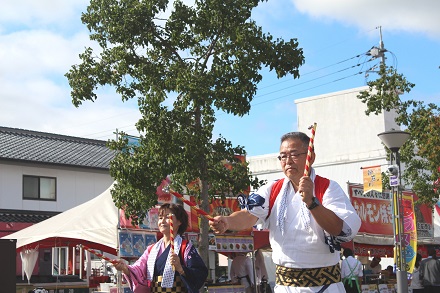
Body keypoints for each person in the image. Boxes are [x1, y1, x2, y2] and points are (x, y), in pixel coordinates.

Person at [209, 131, 362, 292]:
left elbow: (341, 229)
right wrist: (228, 221)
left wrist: (312, 203)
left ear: (311, 157)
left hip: (325, 286)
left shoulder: (328, 188)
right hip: (285, 286)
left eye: (294, 155)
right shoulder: (272, 189)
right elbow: (249, 214)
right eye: (283, 156)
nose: (288, 161)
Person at [114, 203, 208, 293]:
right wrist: (124, 268)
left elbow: (200, 272)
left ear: (179, 221)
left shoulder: (185, 247)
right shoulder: (152, 249)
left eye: (167, 217)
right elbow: (138, 269)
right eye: (160, 217)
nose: (162, 221)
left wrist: (181, 268)